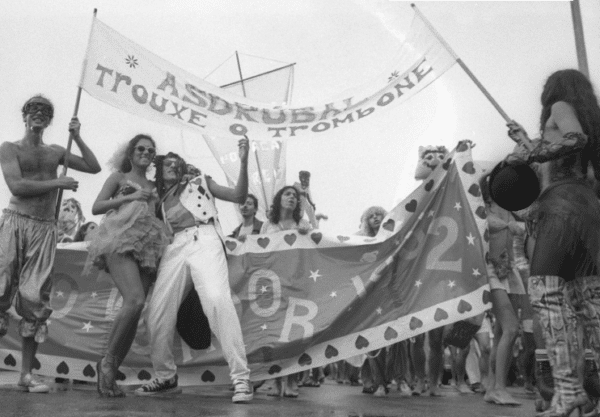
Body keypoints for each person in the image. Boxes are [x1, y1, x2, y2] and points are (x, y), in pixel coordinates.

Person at [502, 69, 600, 417]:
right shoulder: (586, 115)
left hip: (560, 212)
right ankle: (578, 391)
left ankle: (569, 391)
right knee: (588, 303)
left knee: (547, 296)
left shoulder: (561, 105)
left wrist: (534, 154)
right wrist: (527, 142)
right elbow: (563, 159)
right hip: (585, 211)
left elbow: (574, 139)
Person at [135, 139, 254, 404]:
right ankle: (165, 376)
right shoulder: (158, 198)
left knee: (215, 298)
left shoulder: (201, 182)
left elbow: (238, 196)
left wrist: (243, 162)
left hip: (205, 237)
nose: (173, 166)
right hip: (174, 246)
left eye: (177, 163)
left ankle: (241, 378)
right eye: (168, 163)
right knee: (157, 311)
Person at [0, 94, 100, 393]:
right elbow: (17, 185)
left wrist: (77, 137)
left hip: (45, 228)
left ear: (50, 119)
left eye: (45, 111)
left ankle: (26, 375)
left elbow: (93, 167)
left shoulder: (57, 151)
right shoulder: (9, 148)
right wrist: (58, 183)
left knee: (35, 299)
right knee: (1, 289)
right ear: (25, 115)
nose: (39, 114)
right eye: (33, 109)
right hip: (16, 221)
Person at [86, 134, 169, 398]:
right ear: (131, 153)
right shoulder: (118, 178)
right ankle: (107, 362)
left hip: (147, 245)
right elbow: (97, 207)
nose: (146, 153)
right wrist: (130, 197)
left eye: (150, 150)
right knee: (133, 300)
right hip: (119, 238)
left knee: (137, 307)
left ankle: (112, 371)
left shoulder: (155, 186)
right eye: (141, 149)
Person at [260, 185, 312, 398]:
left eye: (295, 196)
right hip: (273, 284)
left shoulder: (303, 224)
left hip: (296, 282)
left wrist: (307, 232)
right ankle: (275, 378)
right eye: (287, 194)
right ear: (279, 199)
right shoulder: (268, 225)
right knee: (273, 332)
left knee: (293, 333)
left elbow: (316, 243)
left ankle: (291, 378)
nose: (292, 198)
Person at [479, 174, 525, 406]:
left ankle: (492, 386)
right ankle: (499, 387)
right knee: (511, 328)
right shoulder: (478, 205)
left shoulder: (511, 206)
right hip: (489, 269)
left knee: (501, 333)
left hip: (509, 269)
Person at [356, 206, 390, 397]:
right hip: (367, 294)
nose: (376, 218)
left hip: (387, 293)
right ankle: (377, 382)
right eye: (372, 216)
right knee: (372, 339)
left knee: (385, 340)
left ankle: (377, 379)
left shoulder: (392, 238)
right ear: (366, 221)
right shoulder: (360, 240)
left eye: (379, 215)